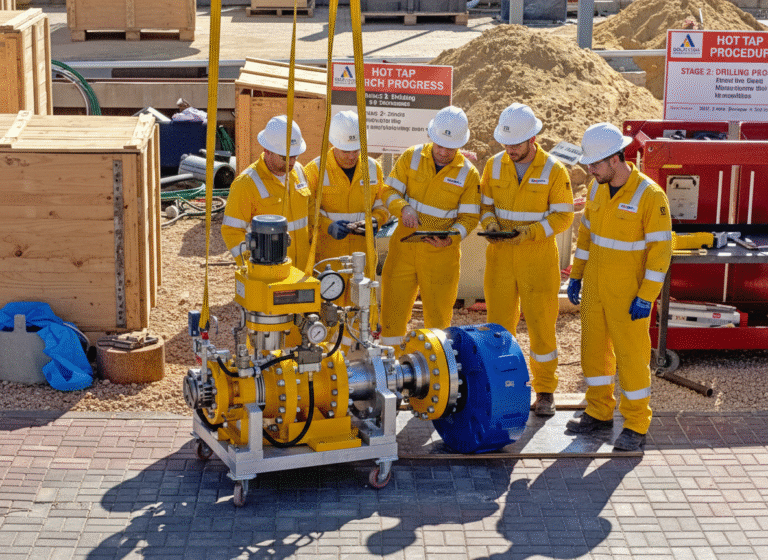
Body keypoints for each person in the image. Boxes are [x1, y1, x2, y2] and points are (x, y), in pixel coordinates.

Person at [566, 122, 672, 452]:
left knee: (631, 359)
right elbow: (587, 235)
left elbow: (661, 253)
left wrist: (646, 297)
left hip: (629, 296)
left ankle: (636, 423)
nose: (589, 171)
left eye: (594, 165)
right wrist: (577, 274)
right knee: (593, 353)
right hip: (596, 289)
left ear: (615, 160)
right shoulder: (597, 187)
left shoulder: (650, 195)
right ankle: (598, 411)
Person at [479, 103, 574, 417]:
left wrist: (530, 233)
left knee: (542, 327)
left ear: (533, 139)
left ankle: (545, 391)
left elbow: (563, 216)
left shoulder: (554, 170)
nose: (510, 150)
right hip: (500, 258)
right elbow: (486, 205)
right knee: (498, 329)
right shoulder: (494, 165)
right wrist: (490, 225)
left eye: (516, 144)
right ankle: (501, 386)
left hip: (538, 259)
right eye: (506, 144)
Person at [378, 106, 480, 347]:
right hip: (403, 249)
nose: (443, 152)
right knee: (392, 317)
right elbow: (389, 190)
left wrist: (451, 238)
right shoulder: (411, 157)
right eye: (439, 145)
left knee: (438, 324)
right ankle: (391, 370)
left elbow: (469, 218)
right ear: (431, 137)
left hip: (441, 255)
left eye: (450, 147)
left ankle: (435, 375)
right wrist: (403, 208)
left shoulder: (468, 174)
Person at [305, 111, 389, 348]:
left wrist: (376, 220)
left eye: (356, 150)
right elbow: (307, 208)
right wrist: (326, 226)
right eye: (346, 151)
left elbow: (382, 204)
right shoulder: (316, 170)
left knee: (360, 309)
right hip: (329, 255)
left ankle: (355, 359)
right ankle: (325, 359)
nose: (352, 156)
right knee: (327, 309)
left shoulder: (373, 168)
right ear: (334, 144)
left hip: (363, 255)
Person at [221, 115, 311, 270]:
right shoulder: (246, 184)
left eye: (295, 156)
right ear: (267, 151)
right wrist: (254, 264)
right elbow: (231, 231)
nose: (292, 162)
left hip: (301, 272)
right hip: (268, 274)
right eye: (285, 157)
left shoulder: (299, 172)